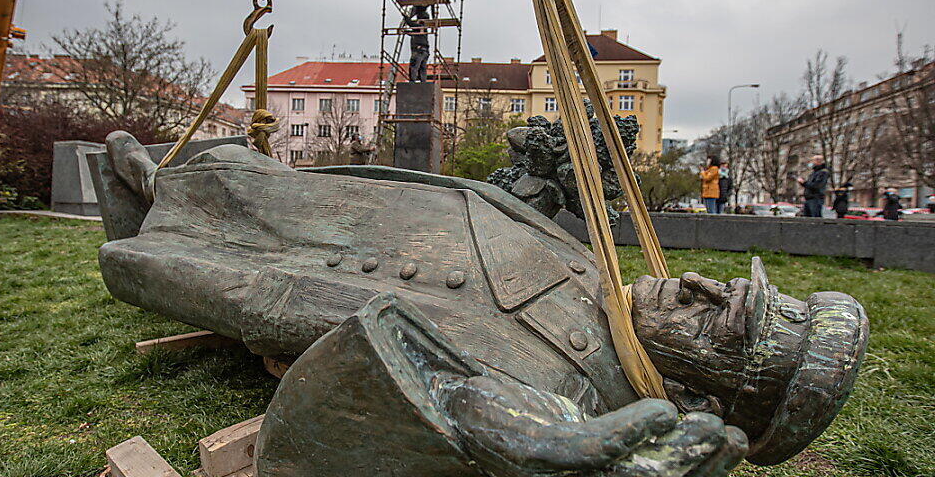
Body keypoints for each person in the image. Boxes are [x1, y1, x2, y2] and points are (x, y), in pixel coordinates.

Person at [97, 132, 869, 476]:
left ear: (702, 391)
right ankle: (153, 176)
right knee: (239, 174)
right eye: (727, 287)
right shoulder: (607, 292)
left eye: (719, 318)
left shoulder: (565, 393)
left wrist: (483, 427)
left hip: (302, 262)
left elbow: (346, 417)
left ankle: (147, 188)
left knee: (202, 228)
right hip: (343, 207)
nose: (698, 286)